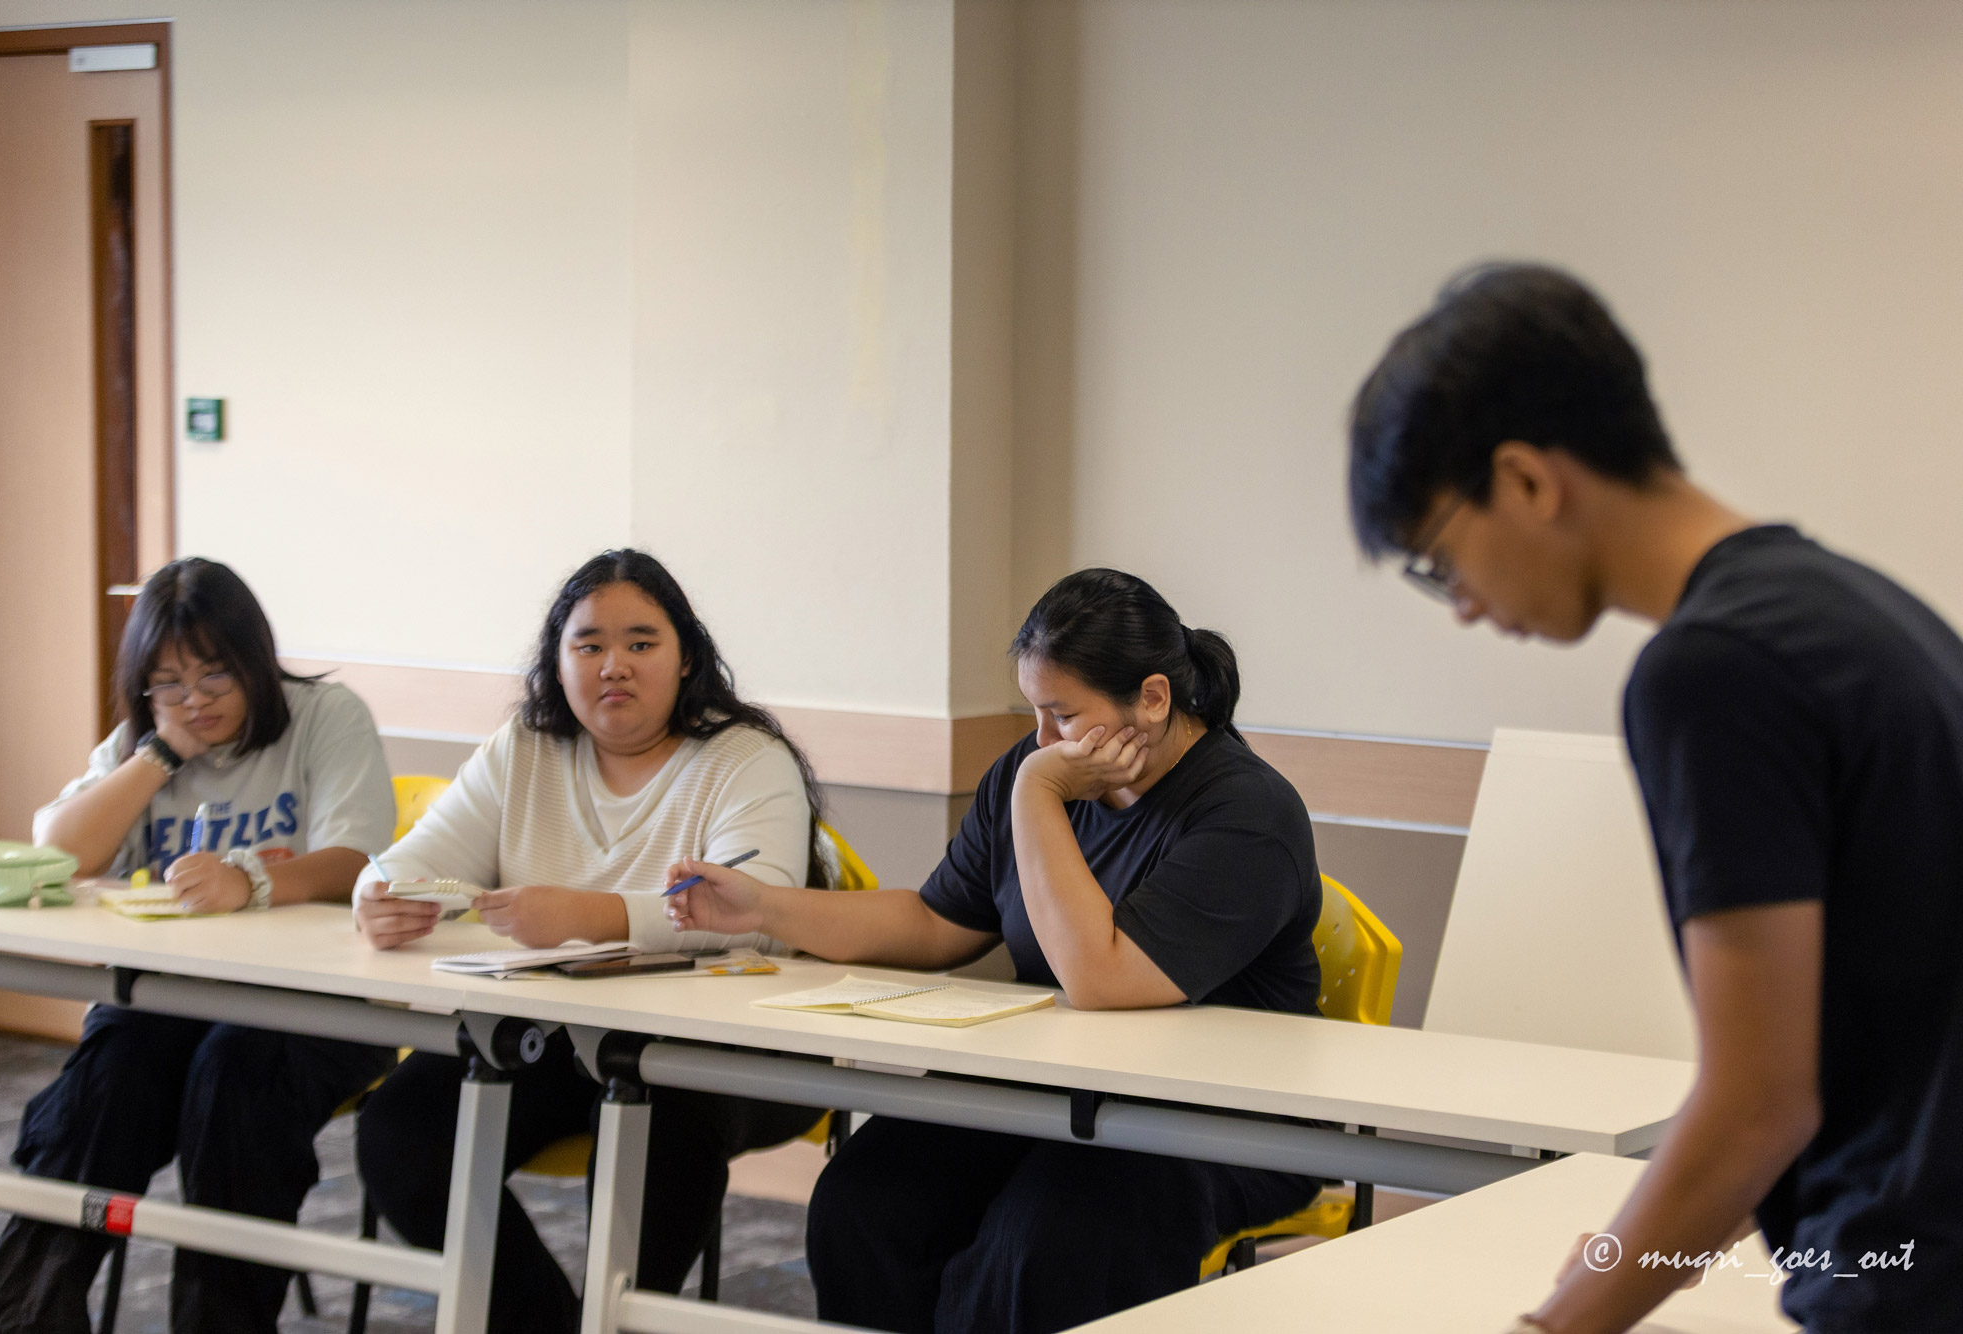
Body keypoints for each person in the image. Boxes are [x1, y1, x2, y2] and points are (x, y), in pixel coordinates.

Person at [1347, 263, 1963, 1334]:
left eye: (1441, 559)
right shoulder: (1859, 609)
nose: (1462, 607)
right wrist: (1621, 1252)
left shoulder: (1709, 670)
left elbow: (1757, 1104)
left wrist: (1557, 1322)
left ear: (1527, 481)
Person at [666, 568, 1326, 1334]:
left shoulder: (1247, 814)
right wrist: (764, 908)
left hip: (1214, 1118)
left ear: (1152, 697)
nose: (1040, 739)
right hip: (1062, 1092)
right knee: (864, 1202)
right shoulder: (1036, 768)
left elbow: (1102, 979)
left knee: (1045, 1241)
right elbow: (934, 923)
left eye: (1061, 714)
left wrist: (1038, 795)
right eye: (1034, 714)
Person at [351, 549, 824, 1332]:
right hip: (556, 1037)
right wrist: (379, 895)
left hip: (719, 1052)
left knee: (655, 1138)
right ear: (557, 660)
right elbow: (412, 862)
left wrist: (590, 916)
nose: (615, 666)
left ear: (687, 659)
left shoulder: (746, 758)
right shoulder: (527, 748)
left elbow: (751, 909)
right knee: (405, 1130)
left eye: (642, 643)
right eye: (589, 644)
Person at [0, 557, 398, 1334]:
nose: (194, 700)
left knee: (234, 1077)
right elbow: (60, 850)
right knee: (103, 1085)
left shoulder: (324, 716)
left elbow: (358, 862)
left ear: (256, 662)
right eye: (167, 683)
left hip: (314, 1009)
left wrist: (254, 882)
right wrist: (161, 753)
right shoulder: (151, 740)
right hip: (171, 1000)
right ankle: (24, 1322)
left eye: (215, 675)